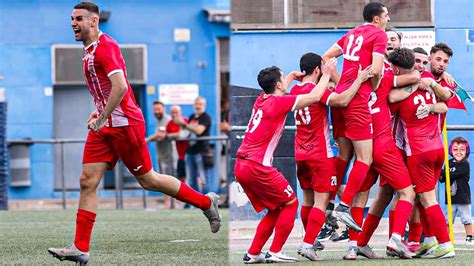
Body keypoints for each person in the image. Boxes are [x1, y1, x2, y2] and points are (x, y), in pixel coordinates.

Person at [48, 3, 221, 264]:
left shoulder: (107, 47)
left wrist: (103, 115)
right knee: (87, 181)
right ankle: (80, 248)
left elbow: (119, 87)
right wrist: (98, 113)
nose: (73, 23)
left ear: (94, 21)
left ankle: (206, 203)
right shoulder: (87, 51)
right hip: (104, 127)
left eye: (78, 18)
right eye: (71, 18)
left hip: (126, 125)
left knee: (148, 180)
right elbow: (106, 91)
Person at [237, 59, 336, 263]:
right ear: (279, 85)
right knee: (291, 203)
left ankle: (253, 253)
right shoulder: (279, 102)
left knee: (276, 209)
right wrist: (326, 74)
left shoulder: (261, 99)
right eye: (283, 79)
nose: (286, 80)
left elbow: (280, 90)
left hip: (241, 165)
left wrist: (290, 77)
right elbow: (315, 96)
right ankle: (275, 251)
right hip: (257, 165)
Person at [290, 52, 373, 261]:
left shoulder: (295, 89)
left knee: (307, 199)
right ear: (318, 70)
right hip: (319, 154)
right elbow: (343, 100)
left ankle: (310, 238)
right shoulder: (318, 92)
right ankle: (308, 244)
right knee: (321, 201)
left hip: (300, 154)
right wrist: (360, 79)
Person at [322, 2, 390, 231]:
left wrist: (340, 80)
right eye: (386, 16)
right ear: (376, 19)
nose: (388, 19)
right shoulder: (378, 34)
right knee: (365, 158)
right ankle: (343, 207)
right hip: (358, 100)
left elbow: (326, 57)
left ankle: (330, 204)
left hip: (341, 97)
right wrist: (373, 85)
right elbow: (377, 68)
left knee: (343, 155)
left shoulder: (351, 34)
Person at [389, 50, 454, 258]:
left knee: (427, 199)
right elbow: (445, 101)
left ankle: (445, 244)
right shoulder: (427, 82)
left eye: (424, 62)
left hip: (419, 152)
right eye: (418, 62)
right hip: (437, 149)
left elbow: (391, 97)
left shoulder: (409, 88)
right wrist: (424, 86)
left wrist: (419, 87)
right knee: (422, 198)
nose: (422, 66)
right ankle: (430, 240)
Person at [174, 96, 218, 195]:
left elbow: (199, 131)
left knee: (204, 179)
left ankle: (208, 201)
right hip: (190, 151)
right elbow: (186, 133)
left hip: (201, 151)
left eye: (200, 104)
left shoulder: (206, 117)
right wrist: (180, 125)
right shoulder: (192, 116)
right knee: (191, 179)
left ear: (205, 105)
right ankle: (196, 201)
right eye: (196, 104)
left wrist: (184, 124)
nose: (198, 106)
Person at [440, 136, 473, 245]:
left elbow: (452, 175)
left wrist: (444, 173)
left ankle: (470, 237)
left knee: (466, 219)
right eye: (455, 149)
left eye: (462, 149)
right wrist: (441, 174)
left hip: (463, 198)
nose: (458, 152)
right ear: (451, 151)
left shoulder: (465, 164)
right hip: (450, 198)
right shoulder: (448, 163)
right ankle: (446, 239)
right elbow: (443, 178)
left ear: (467, 151)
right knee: (447, 221)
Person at [145, 101, 176, 209]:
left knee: (170, 180)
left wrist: (146, 140)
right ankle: (168, 203)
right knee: (164, 180)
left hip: (169, 156)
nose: (156, 111)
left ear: (164, 109)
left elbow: (160, 135)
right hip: (162, 155)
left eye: (159, 109)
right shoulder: (159, 121)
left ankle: (173, 204)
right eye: (155, 109)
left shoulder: (167, 120)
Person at [166, 105, 189, 183]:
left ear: (181, 113)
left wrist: (171, 135)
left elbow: (181, 135)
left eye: (176, 112)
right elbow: (165, 135)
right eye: (172, 113)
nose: (174, 114)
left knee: (190, 177)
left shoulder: (185, 121)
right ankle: (184, 195)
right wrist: (173, 135)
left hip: (188, 154)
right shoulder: (170, 123)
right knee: (180, 177)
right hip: (178, 155)